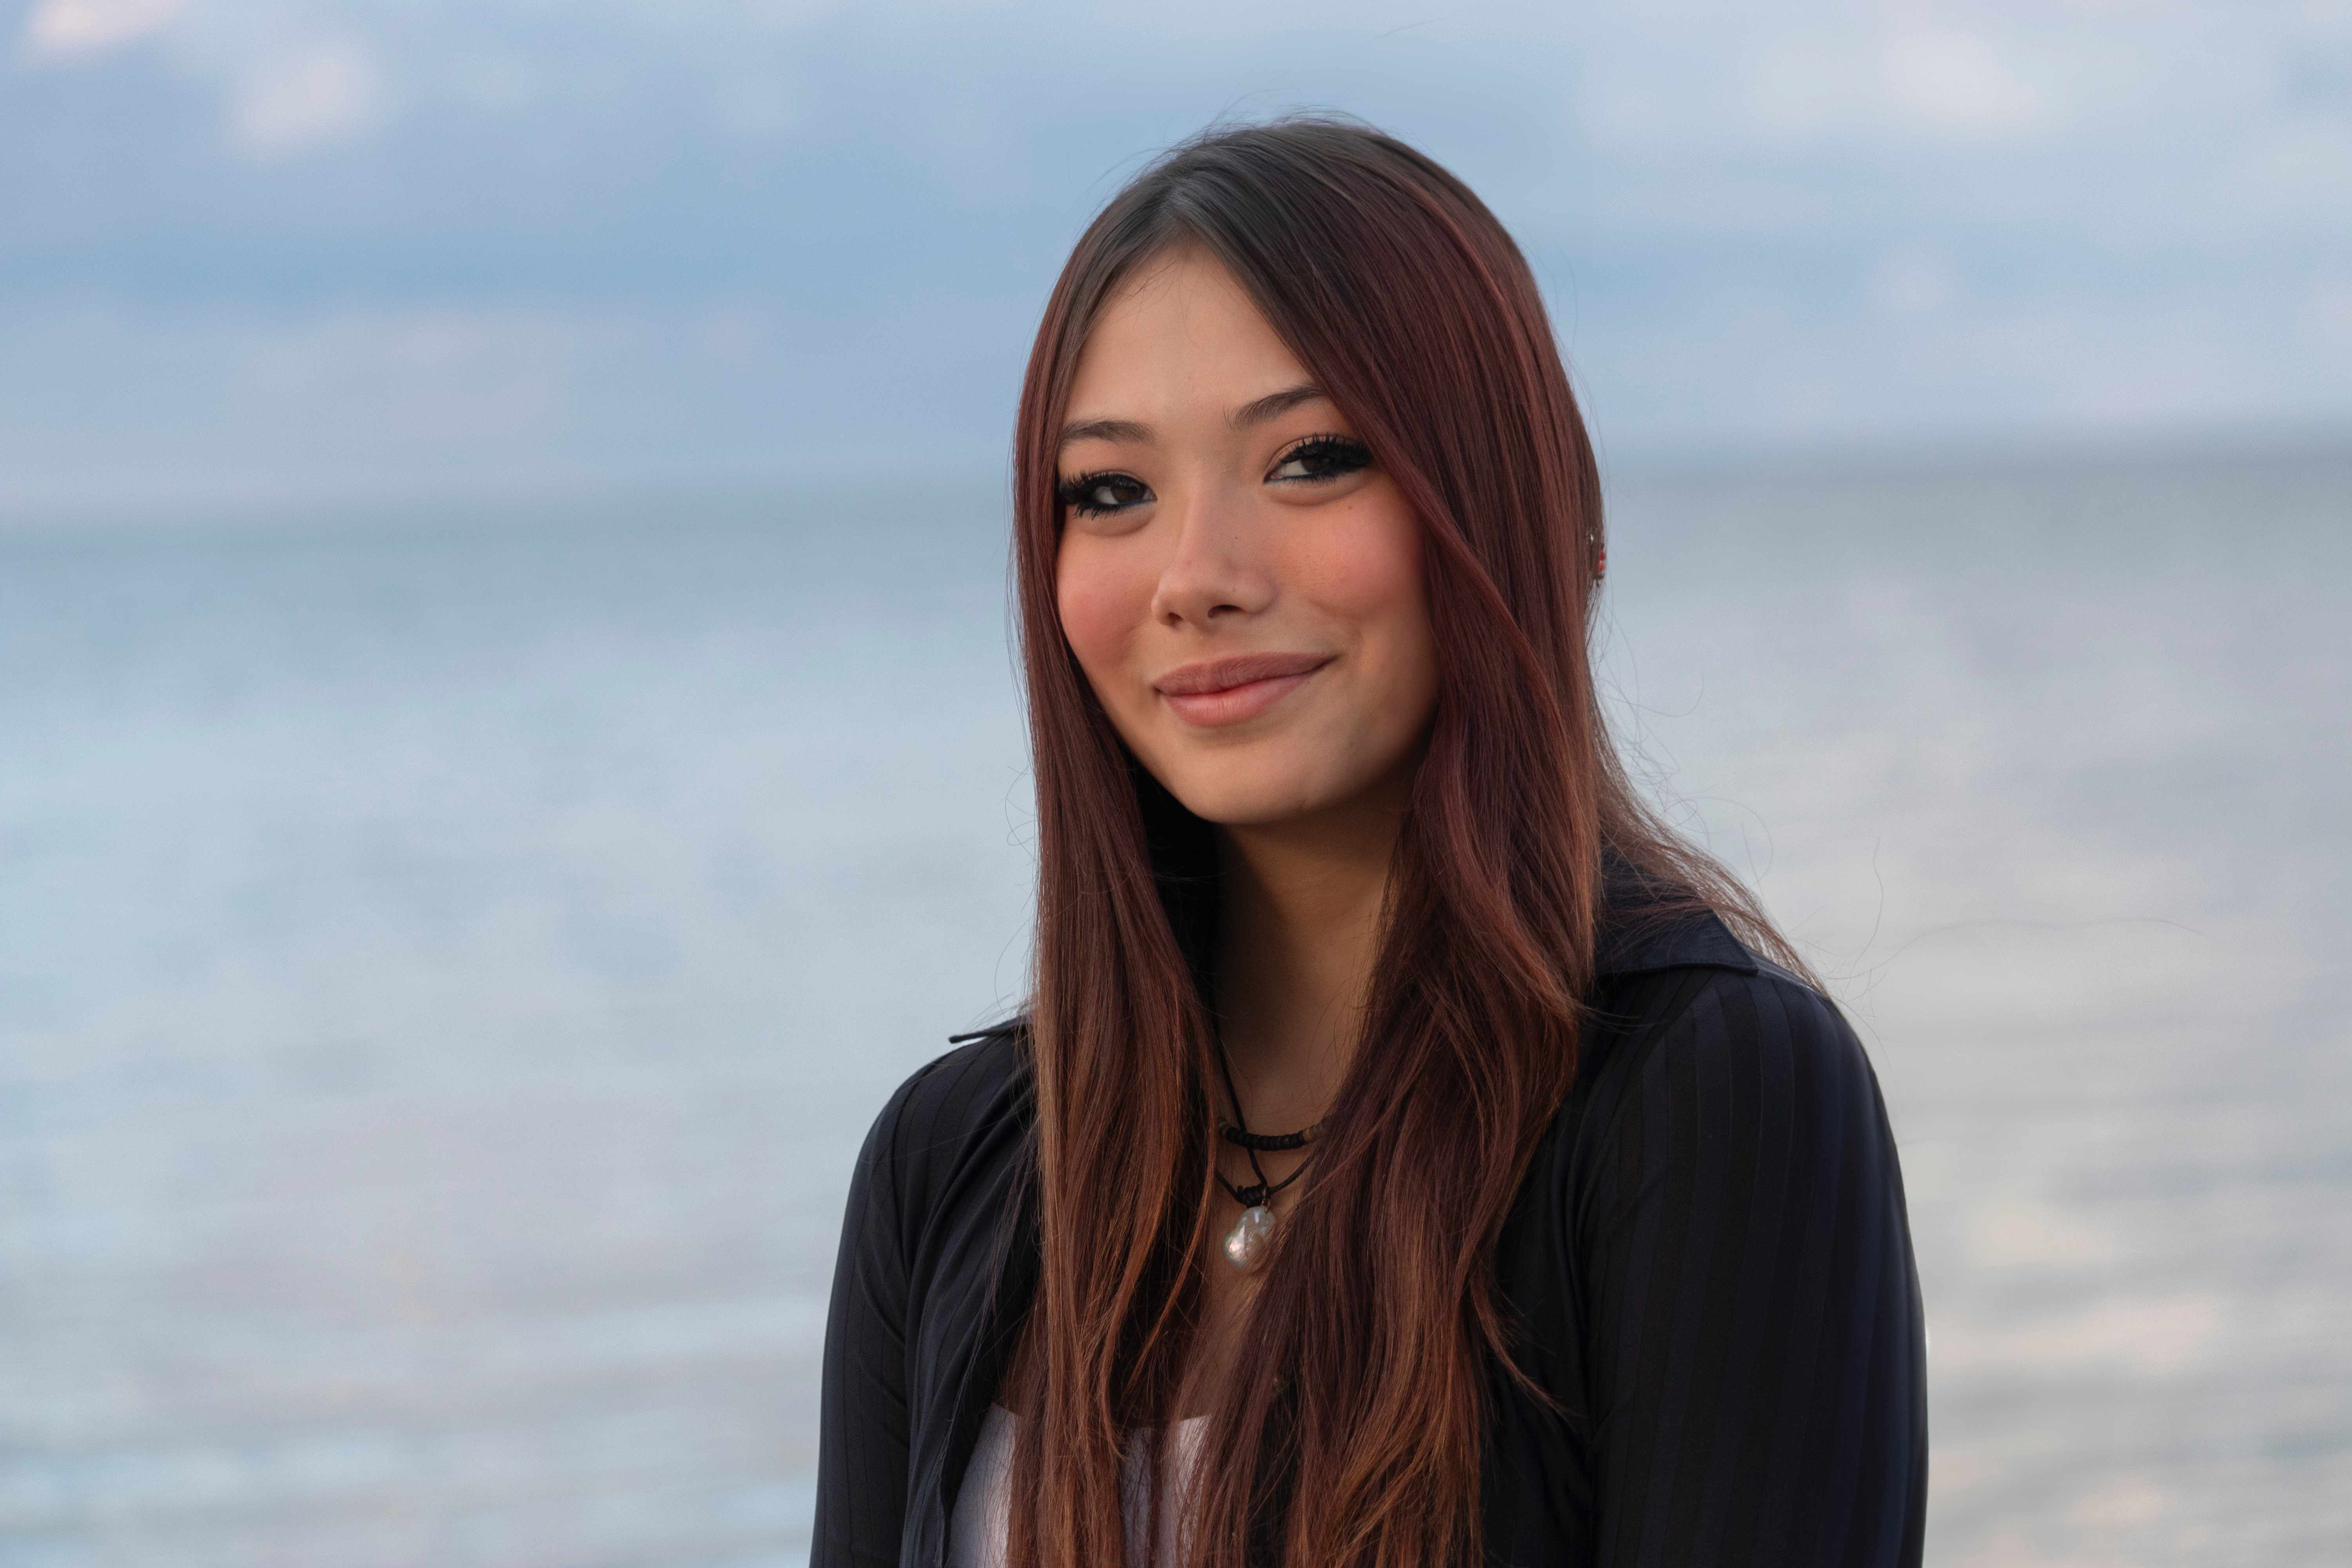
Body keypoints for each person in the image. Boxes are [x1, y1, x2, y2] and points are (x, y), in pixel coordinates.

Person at [813, 117, 1927, 1568]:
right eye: (1113, 491)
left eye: (1313, 459)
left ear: (1520, 505)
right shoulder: (948, 1164)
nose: (1197, 578)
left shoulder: (1709, 1097)